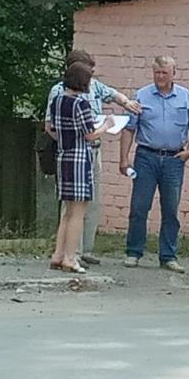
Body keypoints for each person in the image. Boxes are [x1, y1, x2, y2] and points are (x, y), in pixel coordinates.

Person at [45, 49, 142, 267]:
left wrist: (127, 103)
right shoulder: (75, 100)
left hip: (74, 153)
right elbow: (82, 131)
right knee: (75, 208)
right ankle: (72, 254)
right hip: (80, 153)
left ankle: (69, 252)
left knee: (85, 205)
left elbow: (112, 94)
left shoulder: (65, 97)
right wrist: (105, 126)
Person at [119, 55, 189, 273]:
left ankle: (168, 256)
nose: (160, 77)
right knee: (139, 206)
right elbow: (129, 128)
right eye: (156, 72)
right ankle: (133, 252)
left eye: (164, 73)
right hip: (146, 157)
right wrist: (124, 158)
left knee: (170, 209)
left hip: (174, 160)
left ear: (173, 73)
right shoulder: (141, 95)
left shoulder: (186, 97)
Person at [48, 62, 115, 273]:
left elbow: (52, 127)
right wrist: (107, 125)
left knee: (67, 211)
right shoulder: (81, 104)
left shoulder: (57, 100)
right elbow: (90, 134)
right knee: (78, 212)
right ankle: (70, 257)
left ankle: (58, 254)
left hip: (63, 155)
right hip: (79, 158)